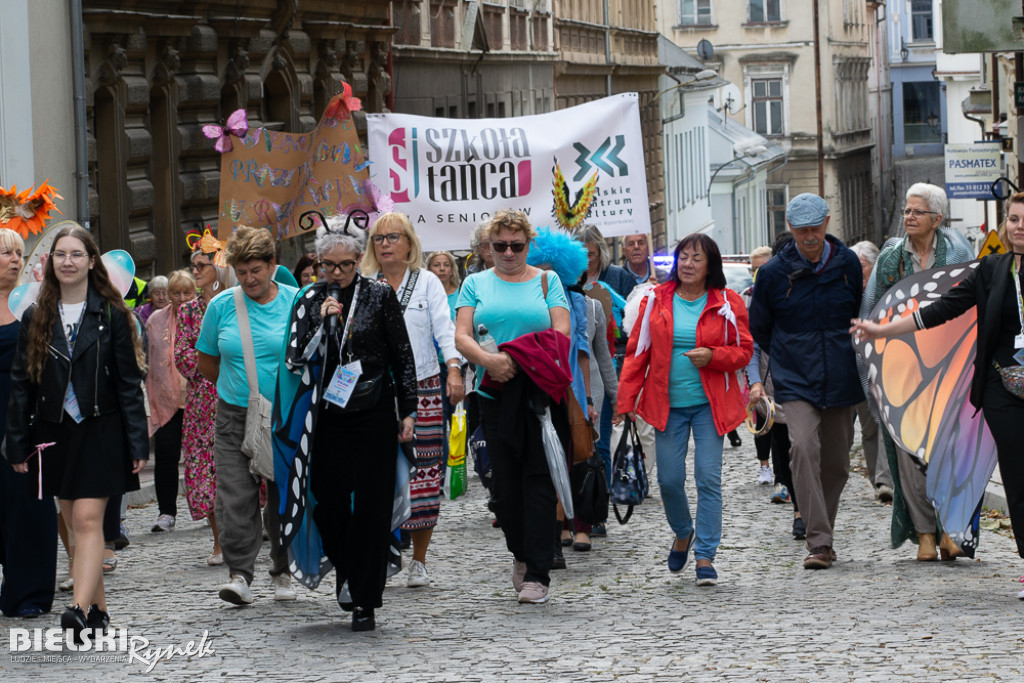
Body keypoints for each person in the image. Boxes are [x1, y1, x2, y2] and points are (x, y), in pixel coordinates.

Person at [852, 191, 1024, 598]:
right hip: (1005, 389)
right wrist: (882, 329)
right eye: (1014, 219)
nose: (1019, 227)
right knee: (1018, 482)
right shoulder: (993, 270)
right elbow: (941, 309)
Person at [6, 222, 147, 640]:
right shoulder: (36, 315)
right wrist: (16, 443)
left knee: (88, 520)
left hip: (101, 430)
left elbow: (128, 382)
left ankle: (80, 609)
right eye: (61, 255)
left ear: (91, 262)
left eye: (77, 255)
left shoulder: (112, 313)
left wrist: (138, 440)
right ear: (51, 264)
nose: (68, 262)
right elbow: (22, 384)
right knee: (72, 523)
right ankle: (101, 610)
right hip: (54, 433)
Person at [276, 217, 417, 631]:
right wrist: (321, 322)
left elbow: (401, 355)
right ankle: (351, 569)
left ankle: (365, 600)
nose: (336, 274)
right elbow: (293, 358)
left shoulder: (378, 295)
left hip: (373, 409)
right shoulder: (308, 299)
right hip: (326, 417)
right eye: (328, 266)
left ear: (359, 259)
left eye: (345, 265)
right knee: (327, 500)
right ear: (318, 263)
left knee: (372, 505)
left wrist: (409, 410)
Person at [618, 234, 752, 586]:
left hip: (710, 406)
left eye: (696, 258)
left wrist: (714, 356)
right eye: (683, 257)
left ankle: (705, 555)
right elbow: (637, 353)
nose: (688, 264)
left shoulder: (727, 302)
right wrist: (625, 401)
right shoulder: (656, 300)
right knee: (668, 480)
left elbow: (744, 352)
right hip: (667, 405)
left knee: (708, 479)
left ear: (711, 265)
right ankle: (683, 531)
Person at [455, 209, 571, 604]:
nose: (508, 252)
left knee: (538, 481)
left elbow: (561, 331)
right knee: (503, 489)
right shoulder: (474, 283)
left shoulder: (546, 280)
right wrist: (490, 362)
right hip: (492, 392)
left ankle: (539, 571)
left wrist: (520, 360)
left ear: (527, 245)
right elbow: (462, 335)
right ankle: (520, 553)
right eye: (499, 245)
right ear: (488, 248)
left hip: (537, 391)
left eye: (516, 245)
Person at [860, 184, 976, 560]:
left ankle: (950, 531)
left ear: (937, 219)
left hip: (948, 367)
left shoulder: (957, 251)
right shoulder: (891, 257)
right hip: (903, 369)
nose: (908, 217)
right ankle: (925, 533)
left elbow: (972, 305)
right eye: (906, 212)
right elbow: (872, 310)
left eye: (916, 212)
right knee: (908, 450)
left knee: (948, 451)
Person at [749, 193, 863, 570]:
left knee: (837, 463)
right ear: (791, 230)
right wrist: (783, 362)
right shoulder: (772, 274)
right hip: (795, 378)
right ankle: (819, 541)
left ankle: (822, 528)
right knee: (802, 447)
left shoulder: (846, 264)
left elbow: (860, 314)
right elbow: (760, 329)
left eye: (815, 228)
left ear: (827, 223)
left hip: (842, 375)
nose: (809, 237)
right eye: (801, 231)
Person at [196, 225, 299, 604]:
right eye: (241, 272)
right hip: (234, 414)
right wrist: (240, 389)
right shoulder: (221, 306)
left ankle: (283, 568)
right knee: (235, 496)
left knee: (283, 495)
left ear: (272, 264)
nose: (249, 279)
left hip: (286, 414)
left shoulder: (294, 301)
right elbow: (208, 361)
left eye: (256, 270)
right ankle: (240, 574)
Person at [362, 213, 463, 588]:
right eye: (378, 238)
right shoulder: (365, 285)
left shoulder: (427, 283)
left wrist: (453, 368)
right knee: (376, 473)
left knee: (424, 473)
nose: (385, 244)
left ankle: (418, 560)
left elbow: (443, 329)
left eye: (393, 237)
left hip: (423, 388)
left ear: (408, 242)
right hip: (374, 392)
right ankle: (382, 552)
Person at [525, 228, 596, 558]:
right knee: (537, 464)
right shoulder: (525, 297)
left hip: (568, 388)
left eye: (555, 270)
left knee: (566, 460)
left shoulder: (575, 299)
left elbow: (582, 350)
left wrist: (588, 399)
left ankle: (564, 530)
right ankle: (550, 534)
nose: (548, 275)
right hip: (531, 384)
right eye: (543, 268)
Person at [0, 228, 58, 618]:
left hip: (24, 417)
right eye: (5, 253)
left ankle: (29, 594)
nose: (15, 259)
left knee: (29, 504)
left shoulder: (33, 304)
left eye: (19, 253)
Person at [175, 248, 230, 565]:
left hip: (234, 395)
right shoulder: (188, 312)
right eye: (192, 266)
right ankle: (219, 540)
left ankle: (246, 530)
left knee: (237, 469)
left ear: (218, 268)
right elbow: (182, 355)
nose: (195, 271)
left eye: (202, 265)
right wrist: (210, 367)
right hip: (201, 403)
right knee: (205, 473)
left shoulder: (234, 304)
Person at [849, 240, 893, 503]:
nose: (858, 272)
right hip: (858, 369)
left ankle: (885, 480)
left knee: (885, 422)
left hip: (888, 367)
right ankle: (877, 478)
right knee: (868, 429)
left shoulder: (885, 288)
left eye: (862, 266)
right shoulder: (850, 292)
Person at [146, 270, 189, 533]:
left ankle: (212, 510)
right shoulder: (155, 320)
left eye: (187, 292)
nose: (181, 298)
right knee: (165, 453)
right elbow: (152, 360)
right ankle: (166, 512)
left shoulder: (204, 314)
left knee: (204, 458)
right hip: (165, 399)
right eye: (176, 292)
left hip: (199, 398)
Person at [746, 245, 774, 482]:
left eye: (761, 268)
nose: (757, 274)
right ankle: (764, 464)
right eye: (753, 269)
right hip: (760, 361)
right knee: (762, 416)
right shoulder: (749, 295)